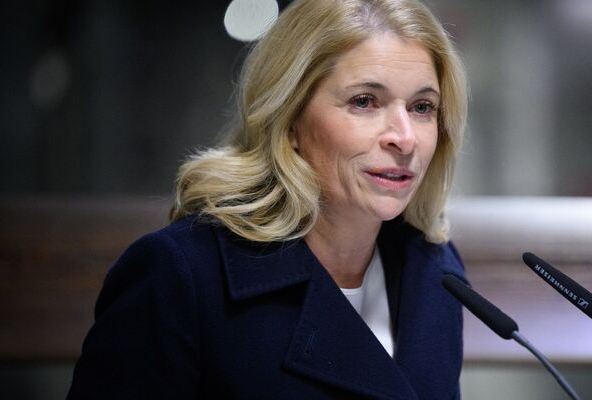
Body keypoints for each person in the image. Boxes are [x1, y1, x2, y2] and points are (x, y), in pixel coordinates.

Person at [67, 0, 468, 398]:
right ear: (290, 120)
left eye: (422, 107)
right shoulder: (181, 275)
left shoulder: (434, 270)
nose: (405, 138)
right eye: (364, 101)